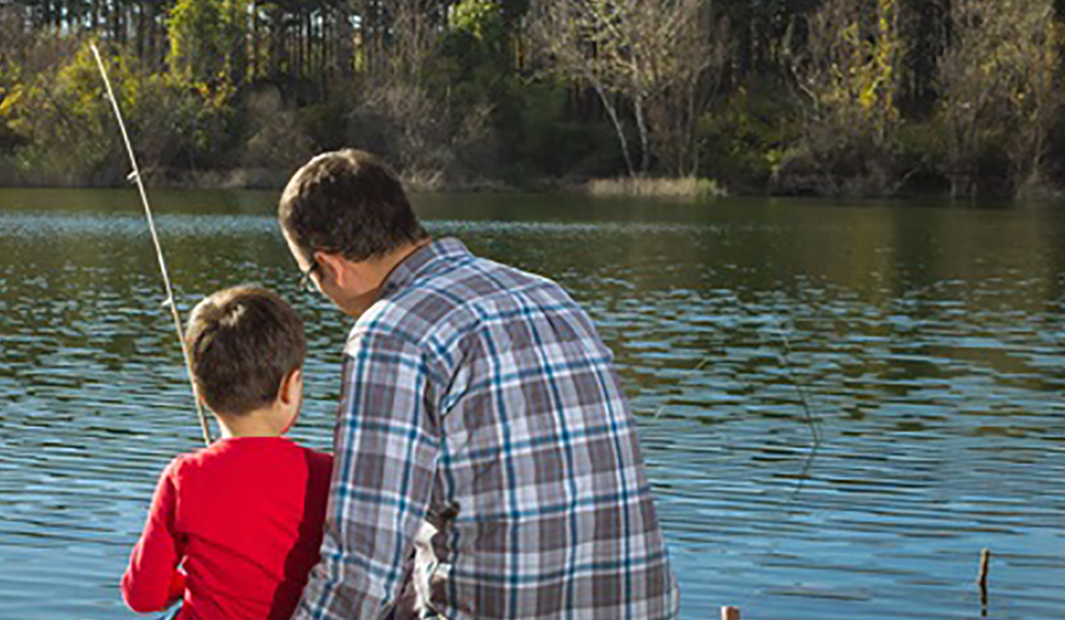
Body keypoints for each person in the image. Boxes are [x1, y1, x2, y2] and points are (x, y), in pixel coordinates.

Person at [281, 150, 678, 619]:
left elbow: (362, 567)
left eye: (312, 280)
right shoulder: (548, 294)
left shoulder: (390, 333)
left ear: (331, 266)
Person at [121, 286, 335, 619]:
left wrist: (186, 584)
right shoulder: (328, 474)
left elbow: (143, 596)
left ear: (202, 395)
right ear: (289, 387)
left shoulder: (185, 477)